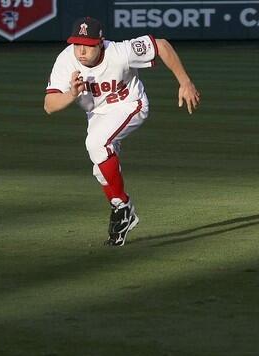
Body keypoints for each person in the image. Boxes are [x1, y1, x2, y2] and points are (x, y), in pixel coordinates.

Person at [44, 17, 200, 246]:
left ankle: (122, 206)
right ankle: (124, 213)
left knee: (96, 144)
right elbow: (49, 105)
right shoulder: (66, 59)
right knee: (100, 169)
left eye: (87, 45)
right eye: (77, 44)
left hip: (130, 104)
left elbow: (162, 45)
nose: (81, 51)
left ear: (101, 42)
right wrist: (71, 94)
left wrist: (184, 81)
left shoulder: (121, 52)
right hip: (98, 114)